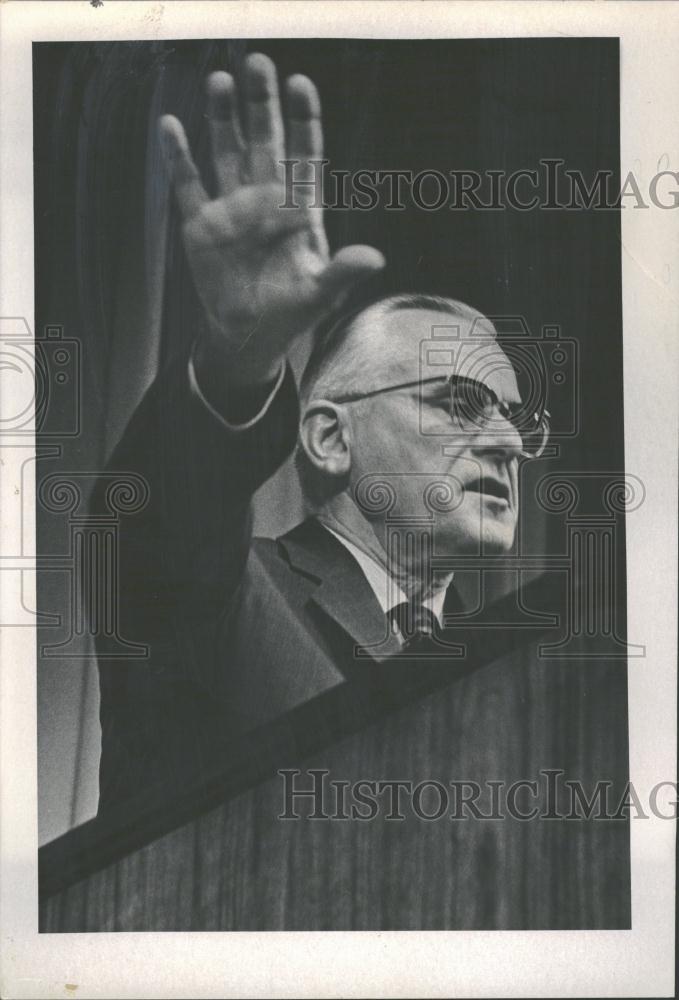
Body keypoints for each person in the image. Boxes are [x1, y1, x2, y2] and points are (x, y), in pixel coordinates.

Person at [96, 54, 549, 811]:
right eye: (461, 404)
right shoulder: (220, 592)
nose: (505, 442)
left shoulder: (519, 673)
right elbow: (149, 526)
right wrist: (240, 357)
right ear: (332, 438)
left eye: (515, 417)